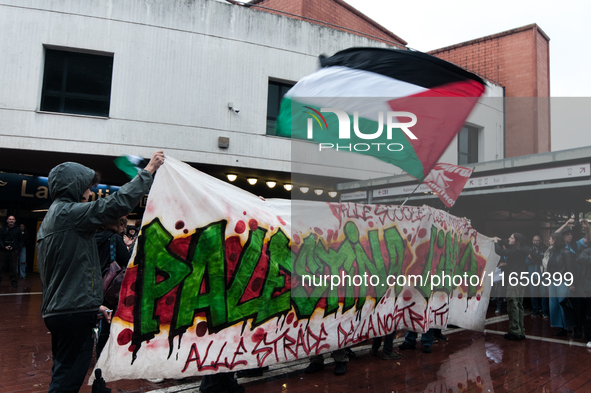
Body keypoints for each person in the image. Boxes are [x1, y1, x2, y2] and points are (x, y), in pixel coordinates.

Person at [37, 151, 164, 393]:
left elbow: (65, 273)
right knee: (67, 380)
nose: (90, 193)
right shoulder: (68, 213)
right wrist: (148, 171)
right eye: (87, 187)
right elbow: (116, 204)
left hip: (63, 310)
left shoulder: (53, 218)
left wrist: (94, 305)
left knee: (64, 373)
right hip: (73, 314)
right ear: (75, 188)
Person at [95, 216, 131, 358]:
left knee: (95, 315)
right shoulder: (114, 238)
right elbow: (127, 261)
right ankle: (102, 354)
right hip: (108, 284)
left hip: (91, 282)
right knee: (107, 318)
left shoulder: (92, 236)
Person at [492, 233, 530, 341]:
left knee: (512, 304)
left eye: (512, 238)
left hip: (515, 280)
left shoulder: (514, 251)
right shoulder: (522, 251)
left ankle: (515, 330)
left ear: (517, 241)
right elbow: (506, 243)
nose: (509, 239)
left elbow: (499, 251)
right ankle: (520, 329)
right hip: (521, 280)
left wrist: (495, 241)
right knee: (518, 305)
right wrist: (501, 240)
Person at [546, 233, 576, 337]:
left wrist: (571, 283)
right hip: (553, 280)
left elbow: (570, 268)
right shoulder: (553, 251)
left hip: (563, 280)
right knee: (554, 304)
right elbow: (549, 268)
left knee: (563, 304)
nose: (549, 240)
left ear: (555, 240)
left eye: (550, 239)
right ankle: (560, 326)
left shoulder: (566, 252)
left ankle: (566, 326)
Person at [0, 215, 24, 288]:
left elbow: (21, 240)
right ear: (7, 220)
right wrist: (4, 246)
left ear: (15, 221)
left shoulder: (17, 230)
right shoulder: (3, 229)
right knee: (0, 266)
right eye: (10, 219)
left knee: (13, 267)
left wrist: (17, 249)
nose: (11, 220)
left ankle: (13, 282)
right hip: (3, 250)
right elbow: (0, 239)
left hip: (14, 250)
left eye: (12, 219)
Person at [527, 235, 548, 317]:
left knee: (544, 293)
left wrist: (533, 259)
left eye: (539, 240)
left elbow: (544, 261)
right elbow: (526, 261)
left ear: (541, 240)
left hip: (542, 275)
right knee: (533, 293)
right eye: (535, 240)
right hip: (532, 274)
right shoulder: (529, 249)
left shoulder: (545, 249)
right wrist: (532, 259)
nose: (537, 242)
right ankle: (535, 309)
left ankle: (544, 311)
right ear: (532, 241)